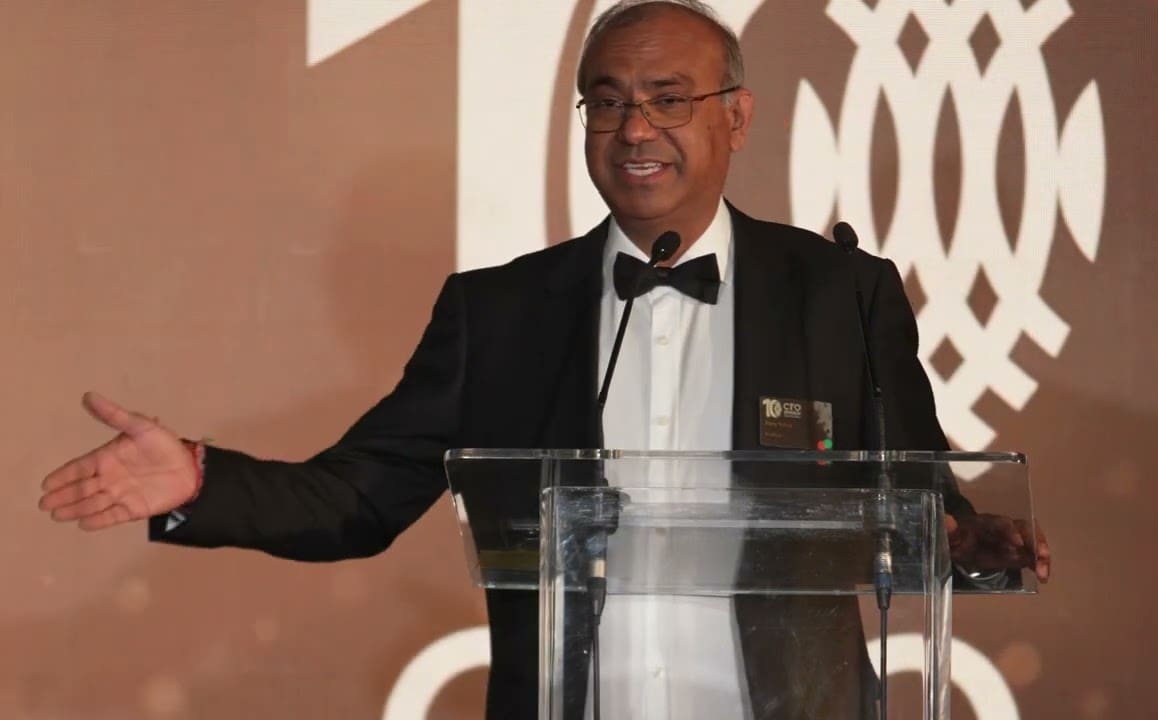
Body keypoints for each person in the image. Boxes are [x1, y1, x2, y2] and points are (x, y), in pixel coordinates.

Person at [39, 1, 1050, 717]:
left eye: (667, 99)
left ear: (736, 116)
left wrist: (970, 539)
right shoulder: (501, 312)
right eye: (606, 103)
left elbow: (921, 499)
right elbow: (357, 499)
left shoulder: (838, 293)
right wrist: (201, 482)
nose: (634, 129)